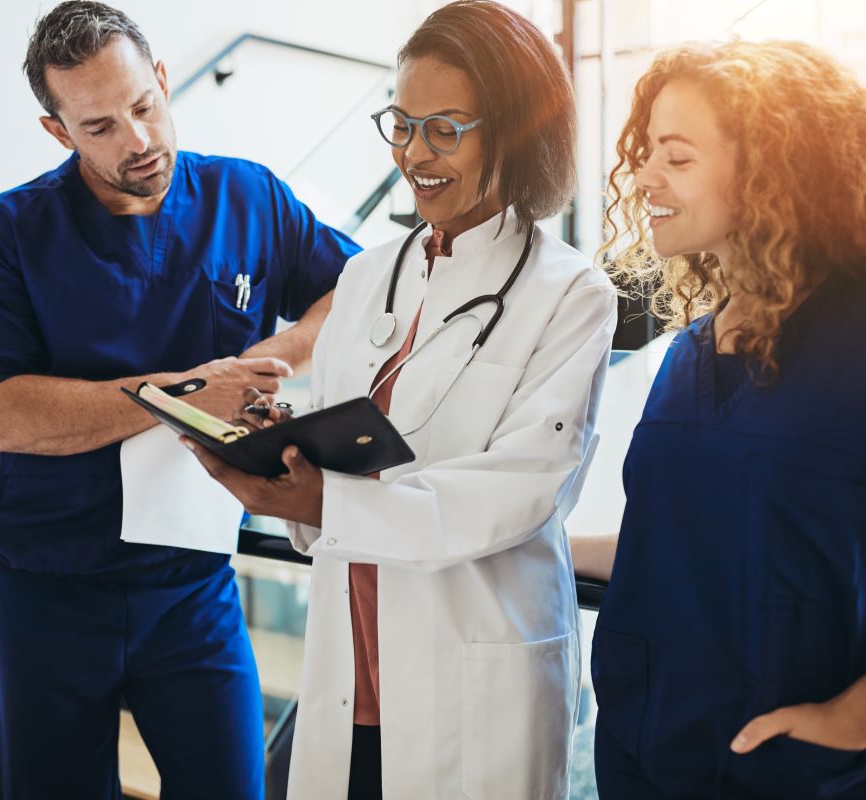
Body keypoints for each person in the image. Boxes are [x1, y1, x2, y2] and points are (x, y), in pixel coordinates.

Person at [187, 3, 617, 798]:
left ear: (516, 131)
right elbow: (343, 452)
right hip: (352, 667)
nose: (414, 153)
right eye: (402, 124)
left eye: (445, 129)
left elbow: (521, 489)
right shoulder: (363, 276)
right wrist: (278, 455)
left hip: (476, 677)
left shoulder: (572, 293)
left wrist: (331, 499)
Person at [0, 2, 359, 797]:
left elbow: (358, 291)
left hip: (192, 585)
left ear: (163, 81)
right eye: (99, 126)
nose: (136, 141)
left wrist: (283, 350)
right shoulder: (10, 232)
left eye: (142, 105)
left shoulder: (248, 198)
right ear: (58, 132)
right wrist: (183, 393)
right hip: (47, 587)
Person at [576, 40, 866, 799]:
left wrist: (857, 718)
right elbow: (683, 537)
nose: (642, 178)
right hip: (647, 763)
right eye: (645, 154)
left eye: (677, 157)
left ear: (771, 170)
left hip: (821, 778)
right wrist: (534, 544)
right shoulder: (690, 352)